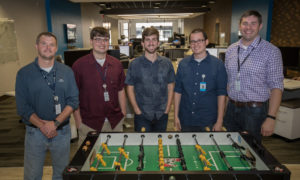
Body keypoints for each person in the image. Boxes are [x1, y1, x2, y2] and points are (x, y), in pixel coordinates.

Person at [15, 32, 79, 180]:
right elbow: (22, 107)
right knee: (32, 175)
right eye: (44, 43)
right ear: (36, 46)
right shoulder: (24, 74)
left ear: (56, 48)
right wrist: (43, 126)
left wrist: (55, 123)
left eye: (51, 44)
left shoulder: (67, 72)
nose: (48, 48)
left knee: (61, 174)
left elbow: (73, 101)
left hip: (62, 132)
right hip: (34, 133)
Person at [223, 10, 284, 143]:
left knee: (252, 150)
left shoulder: (271, 51)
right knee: (230, 146)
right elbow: (228, 82)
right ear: (240, 26)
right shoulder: (231, 50)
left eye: (253, 23)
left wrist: (271, 117)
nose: (248, 27)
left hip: (255, 111)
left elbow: (277, 87)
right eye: (245, 23)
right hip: (232, 109)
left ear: (260, 26)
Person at [72, 27, 126, 144]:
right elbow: (73, 96)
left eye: (106, 40)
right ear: (91, 41)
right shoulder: (79, 66)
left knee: (116, 158)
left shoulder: (116, 64)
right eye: (98, 39)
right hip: (89, 124)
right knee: (89, 160)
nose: (102, 43)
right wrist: (78, 122)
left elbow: (121, 90)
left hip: (114, 122)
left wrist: (123, 114)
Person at [174, 28, 227, 132]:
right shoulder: (183, 64)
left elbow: (221, 94)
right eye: (193, 41)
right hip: (186, 119)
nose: (196, 44)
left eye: (200, 40)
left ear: (206, 42)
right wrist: (176, 116)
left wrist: (220, 120)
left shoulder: (218, 65)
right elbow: (178, 91)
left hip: (208, 120)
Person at [125, 27, 175, 132]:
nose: (151, 43)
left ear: (158, 43)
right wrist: (136, 110)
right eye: (147, 40)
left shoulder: (167, 63)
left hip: (162, 114)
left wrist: (167, 109)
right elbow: (129, 88)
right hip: (142, 115)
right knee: (142, 145)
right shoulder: (134, 64)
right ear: (142, 43)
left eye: (154, 39)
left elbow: (170, 86)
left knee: (160, 144)